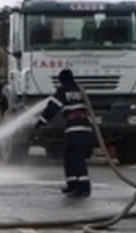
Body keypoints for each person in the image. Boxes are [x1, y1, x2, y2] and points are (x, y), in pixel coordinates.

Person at [35, 68, 95, 197]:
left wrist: (40, 122)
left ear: (61, 80)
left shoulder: (63, 91)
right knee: (69, 157)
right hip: (85, 128)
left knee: (76, 158)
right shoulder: (80, 91)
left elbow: (52, 108)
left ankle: (83, 187)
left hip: (75, 128)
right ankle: (72, 184)